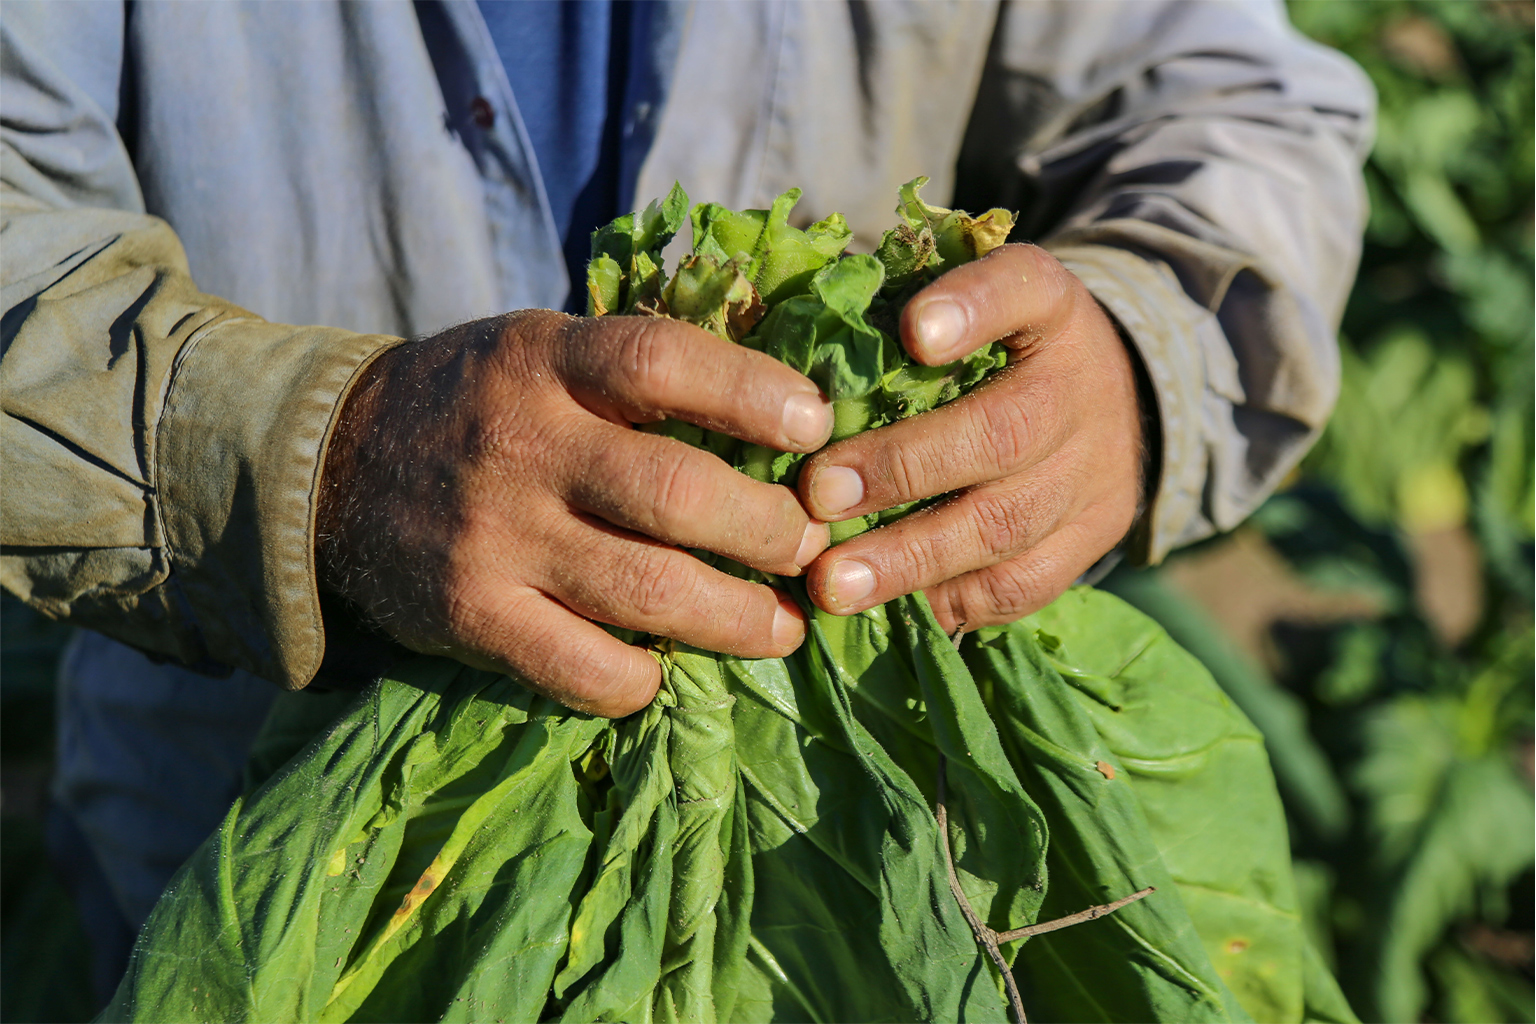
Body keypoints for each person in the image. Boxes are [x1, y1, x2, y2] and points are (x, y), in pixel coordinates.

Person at [1, 0, 1374, 1004]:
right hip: (265, 835)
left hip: (880, 863)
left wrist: (1142, 355)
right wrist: (321, 455)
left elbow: (1239, 104)